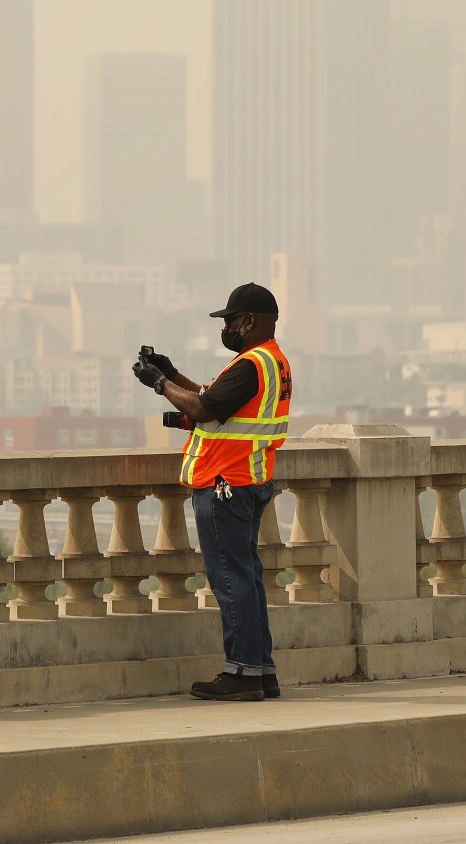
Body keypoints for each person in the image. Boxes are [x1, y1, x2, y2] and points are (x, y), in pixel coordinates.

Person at [132, 282, 292, 702]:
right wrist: (172, 373)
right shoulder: (270, 362)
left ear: (249, 321)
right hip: (248, 481)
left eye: (230, 320)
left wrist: (158, 383)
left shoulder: (250, 363)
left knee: (231, 579)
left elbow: (203, 409)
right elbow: (212, 399)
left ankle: (241, 672)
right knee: (248, 577)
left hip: (226, 484)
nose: (227, 328)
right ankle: (261, 671)